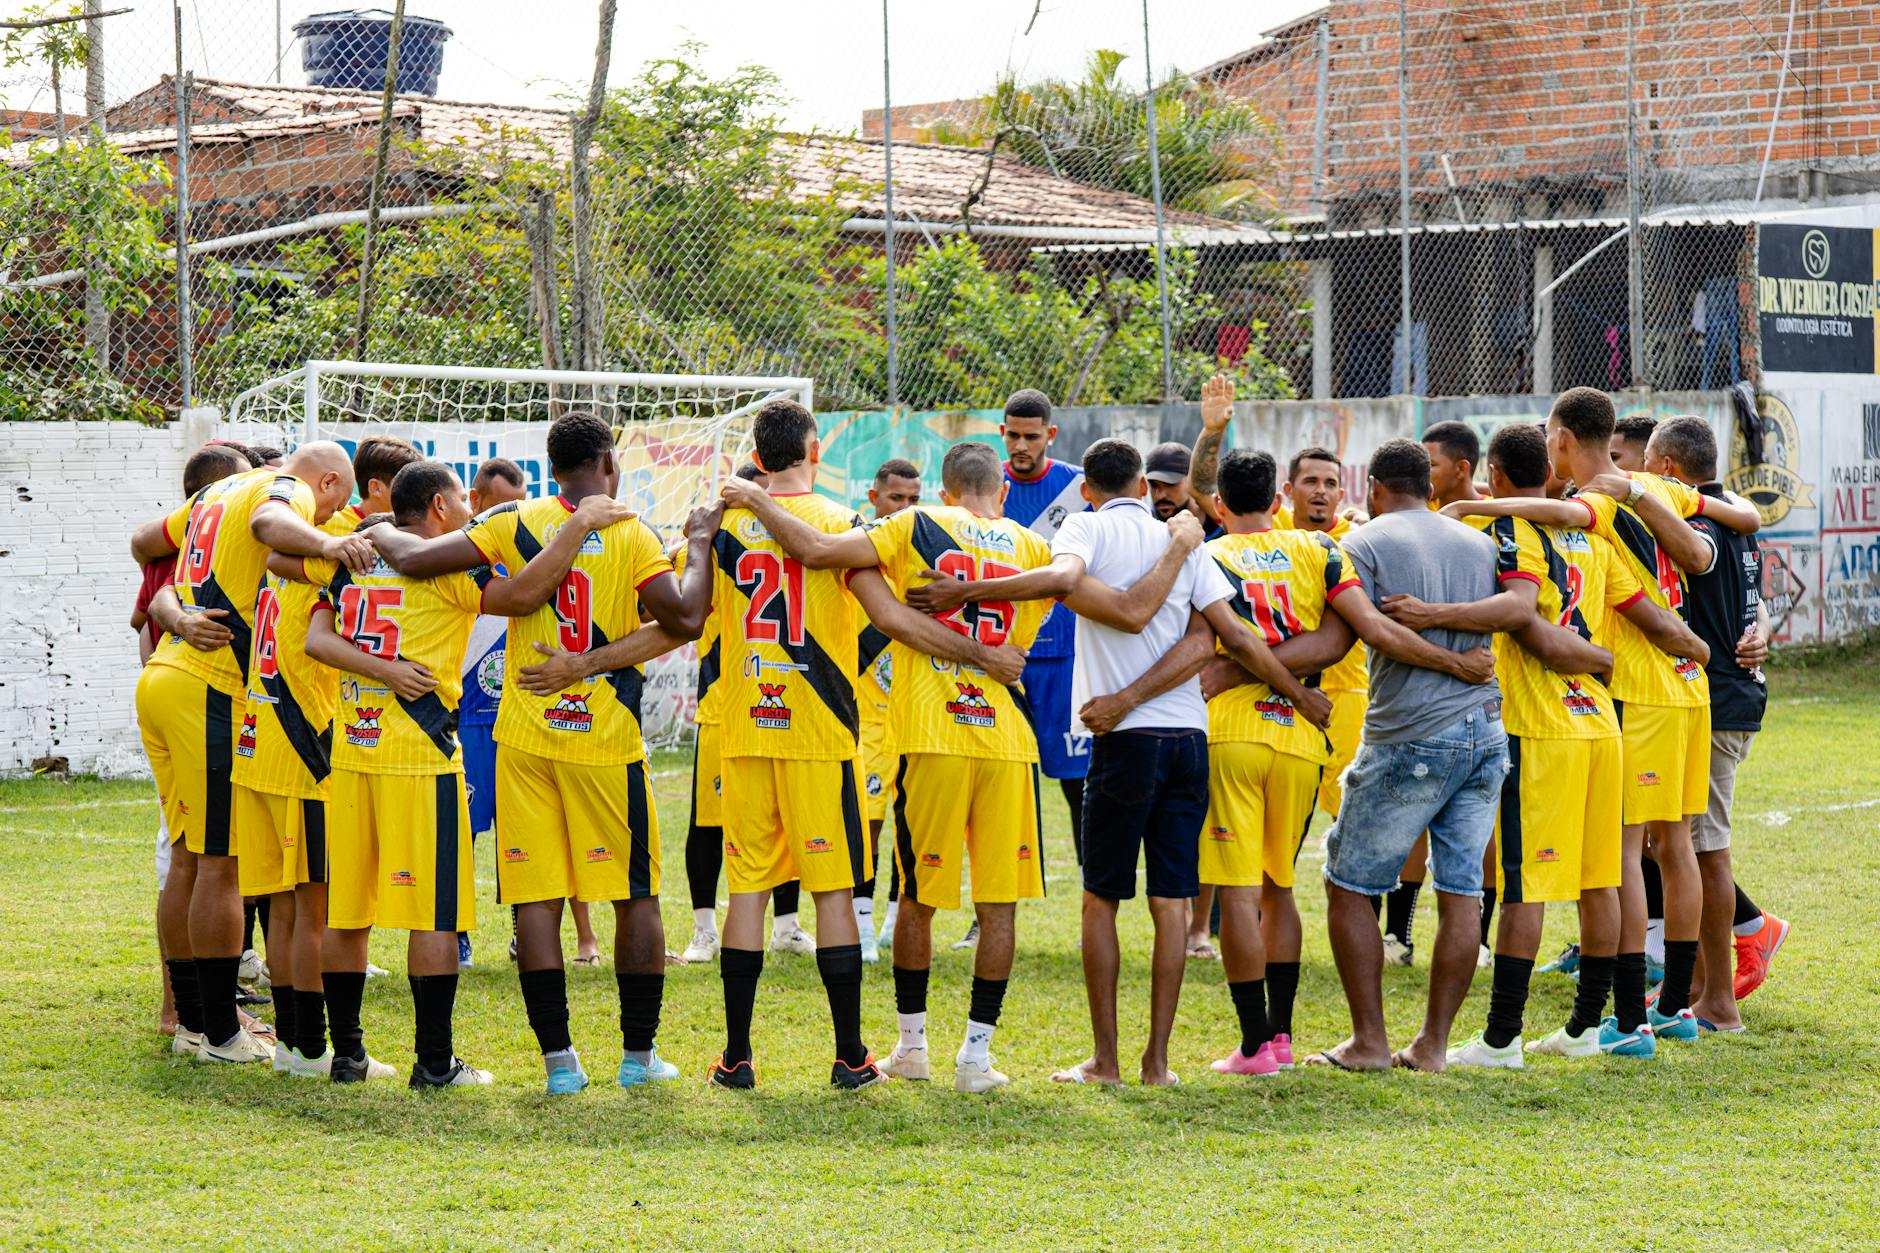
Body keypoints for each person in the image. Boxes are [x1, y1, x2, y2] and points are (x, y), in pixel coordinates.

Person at [914, 437, 1326, 1086]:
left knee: (1100, 900)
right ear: (1142, 484)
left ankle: (1105, 1059)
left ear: (1087, 488)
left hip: (1126, 738)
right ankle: (1156, 1062)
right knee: (1172, 904)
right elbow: (1223, 637)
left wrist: (965, 592)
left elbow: (1062, 580)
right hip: (1189, 737)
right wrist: (1301, 693)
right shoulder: (1181, 542)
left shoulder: (1087, 525)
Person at [722, 441, 1087, 1092]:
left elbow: (819, 553)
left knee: (916, 898)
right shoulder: (1030, 548)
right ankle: (976, 1058)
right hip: (1007, 739)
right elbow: (1070, 583)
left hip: (932, 732)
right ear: (1002, 490)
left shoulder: (917, 524)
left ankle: (912, 1046)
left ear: (944, 491)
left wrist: (754, 497)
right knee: (998, 906)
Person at [369, 417, 713, 1094]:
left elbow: (413, 557)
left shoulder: (508, 521)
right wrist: (697, 543)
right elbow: (686, 619)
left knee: (535, 898)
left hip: (523, 735)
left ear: (552, 467)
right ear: (609, 460)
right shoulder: (630, 532)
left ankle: (560, 1063)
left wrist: (374, 527)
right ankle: (639, 1057)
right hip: (605, 740)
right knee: (635, 895)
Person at [1443, 389, 1760, 1046]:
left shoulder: (1598, 504)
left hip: (1636, 690)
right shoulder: (1656, 488)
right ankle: (1665, 1004)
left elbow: (1567, 514)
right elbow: (1731, 525)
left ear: (1560, 437)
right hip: (1684, 688)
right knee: (1676, 848)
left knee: (1619, 857)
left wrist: (1479, 504)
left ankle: (1630, 1017)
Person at [1405, 424, 1704, 1066]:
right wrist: (1690, 647)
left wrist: (1429, 614)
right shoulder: (1595, 536)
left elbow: (1520, 619)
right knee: (1603, 879)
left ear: (1495, 472)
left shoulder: (1507, 532)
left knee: (1524, 886)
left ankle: (1501, 1039)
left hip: (1540, 727)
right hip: (1602, 723)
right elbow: (1646, 612)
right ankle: (1587, 1027)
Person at [131, 442, 371, 1065]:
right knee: (220, 863)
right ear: (322, 481)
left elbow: (145, 546)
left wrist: (173, 611)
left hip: (164, 677)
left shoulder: (211, 495)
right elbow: (271, 525)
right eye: (333, 503)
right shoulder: (282, 491)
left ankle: (189, 1021)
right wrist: (324, 544)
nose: (326, 519)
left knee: (188, 858)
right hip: (207, 686)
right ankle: (219, 1033)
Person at [701, 401, 894, 1090]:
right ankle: (849, 1055)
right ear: (813, 447)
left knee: (747, 889)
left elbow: (692, 609)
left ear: (757, 451)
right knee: (834, 891)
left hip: (748, 726)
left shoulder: (724, 522)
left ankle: (737, 1056)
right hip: (819, 731)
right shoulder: (842, 519)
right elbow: (881, 617)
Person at [1306, 438, 1514, 1073]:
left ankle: (1368, 1041)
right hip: (1486, 732)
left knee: (1346, 882)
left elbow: (1370, 631)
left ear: (1372, 489)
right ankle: (1430, 1046)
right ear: (1430, 488)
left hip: (1411, 735)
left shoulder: (1363, 543)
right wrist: (1464, 664)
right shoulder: (1479, 542)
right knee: (1461, 892)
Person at [233, 434, 421, 1076]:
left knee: (286, 906)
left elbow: (277, 556)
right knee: (312, 904)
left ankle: (293, 1046)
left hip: (260, 736)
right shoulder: (334, 534)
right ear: (346, 488)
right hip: (304, 742)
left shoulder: (295, 541)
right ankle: (313, 1048)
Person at [1191, 449, 1362, 1075]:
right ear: (1279, 499)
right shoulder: (1320, 552)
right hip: (1299, 735)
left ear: (1219, 505)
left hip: (1230, 731)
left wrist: (1234, 669)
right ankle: (1283, 1038)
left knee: (1237, 892)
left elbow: (1196, 650)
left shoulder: (1204, 555)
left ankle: (1254, 1044)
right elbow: (1340, 638)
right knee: (1279, 886)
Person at [1646, 416, 1788, 1029]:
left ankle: (1721, 1001)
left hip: (1716, 701)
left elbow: (1704, 570)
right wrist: (1756, 634)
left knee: (1706, 852)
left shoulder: (1697, 526)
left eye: (1650, 463)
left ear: (1670, 469)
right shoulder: (1732, 512)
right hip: (1735, 695)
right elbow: (1752, 600)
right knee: (1689, 848)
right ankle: (1701, 985)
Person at [666, 461, 815, 964]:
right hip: (724, 708)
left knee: (788, 820)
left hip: (787, 701)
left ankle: (787, 925)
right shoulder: (710, 547)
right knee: (708, 822)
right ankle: (705, 928)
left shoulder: (793, 537)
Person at [134, 443, 250, 1037]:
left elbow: (151, 593)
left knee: (188, 861)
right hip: (196, 706)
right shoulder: (200, 545)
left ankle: (188, 1013)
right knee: (208, 863)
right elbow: (149, 611)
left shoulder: (191, 547)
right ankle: (207, 1019)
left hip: (171, 700)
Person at [997, 389, 1092, 877]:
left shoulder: (1080, 488)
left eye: (1031, 436)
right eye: (1013, 435)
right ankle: (988, 911)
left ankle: (1090, 904)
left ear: (1049, 435)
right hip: (1000, 655)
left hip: (1066, 657)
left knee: (1077, 785)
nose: (1021, 445)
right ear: (1002, 433)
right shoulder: (987, 486)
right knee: (1004, 783)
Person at [854, 458, 922, 962]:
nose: (904, 508)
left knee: (912, 822)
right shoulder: (855, 545)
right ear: (874, 497)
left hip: (914, 709)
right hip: (865, 714)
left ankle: (898, 918)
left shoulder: (925, 546)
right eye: (896, 498)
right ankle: (859, 924)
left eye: (913, 500)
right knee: (867, 822)